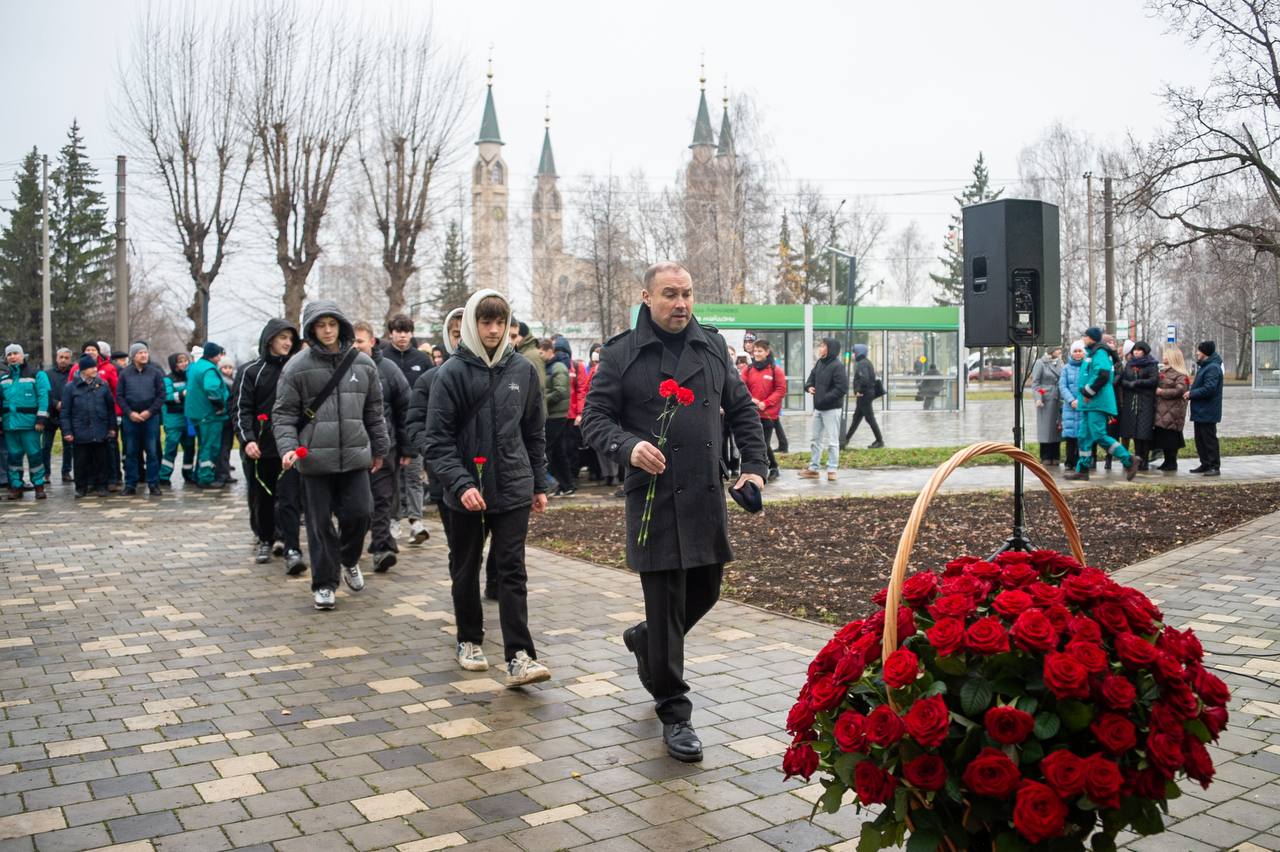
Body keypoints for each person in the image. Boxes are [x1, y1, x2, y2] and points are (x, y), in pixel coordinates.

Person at [581, 261, 767, 763]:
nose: (681, 303)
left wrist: (754, 466)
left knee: (706, 590)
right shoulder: (621, 354)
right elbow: (593, 419)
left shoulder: (709, 346)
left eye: (686, 293)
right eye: (669, 294)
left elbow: (743, 409)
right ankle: (674, 710)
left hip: (706, 494)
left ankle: (646, 641)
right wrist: (627, 445)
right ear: (647, 297)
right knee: (665, 606)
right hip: (655, 500)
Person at [422, 289, 551, 687]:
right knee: (466, 567)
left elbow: (534, 432)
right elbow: (437, 441)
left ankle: (520, 655)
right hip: (466, 492)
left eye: (500, 322)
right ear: (473, 325)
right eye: (486, 321)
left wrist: (539, 482)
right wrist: (459, 484)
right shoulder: (451, 374)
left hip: (513, 486)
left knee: (512, 570)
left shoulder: (523, 371)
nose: (494, 330)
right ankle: (469, 640)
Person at [273, 301, 389, 610]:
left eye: (332, 324)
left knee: (361, 513)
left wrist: (380, 448)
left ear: (341, 326)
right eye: (320, 325)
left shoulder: (363, 364)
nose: (327, 330)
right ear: (311, 329)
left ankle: (349, 559)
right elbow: (283, 415)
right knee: (319, 524)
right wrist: (287, 449)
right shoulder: (296, 366)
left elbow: (375, 412)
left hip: (355, 456)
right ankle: (324, 584)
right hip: (313, 461)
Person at [232, 319, 305, 571]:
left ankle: (292, 546)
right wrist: (247, 440)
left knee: (290, 498)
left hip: (290, 447)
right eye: (282, 337)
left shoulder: (296, 369)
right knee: (262, 496)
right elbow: (242, 410)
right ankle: (265, 538)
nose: (287, 343)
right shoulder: (250, 371)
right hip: (260, 448)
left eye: (290, 339)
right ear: (270, 339)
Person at [355, 321, 412, 573]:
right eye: (353, 341)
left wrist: (407, 448)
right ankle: (353, 547)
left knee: (382, 501)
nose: (356, 345)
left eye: (360, 340)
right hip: (352, 449)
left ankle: (382, 548)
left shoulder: (388, 370)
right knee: (357, 506)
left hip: (385, 446)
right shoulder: (341, 370)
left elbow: (405, 410)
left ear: (372, 341)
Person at [381, 314, 434, 546]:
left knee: (414, 475)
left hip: (416, 426)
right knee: (391, 478)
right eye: (398, 331)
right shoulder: (383, 359)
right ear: (390, 333)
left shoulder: (422, 360)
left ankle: (416, 521)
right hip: (389, 429)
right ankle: (393, 520)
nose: (402, 336)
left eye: (406, 331)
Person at [1064, 327, 1137, 481]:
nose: (1083, 339)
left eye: (1085, 336)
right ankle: (1083, 469)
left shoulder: (1100, 353)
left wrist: (1088, 392)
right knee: (1084, 436)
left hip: (1096, 402)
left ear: (1091, 338)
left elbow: (1103, 375)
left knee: (1099, 435)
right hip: (1089, 404)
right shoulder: (1092, 353)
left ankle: (1129, 460)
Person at [1, 344, 52, 500]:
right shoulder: (3, 379)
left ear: (23, 356)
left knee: (35, 455)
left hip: (30, 425)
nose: (12, 357)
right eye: (9, 355)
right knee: (13, 457)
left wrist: (41, 419)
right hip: (10, 424)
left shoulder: (37, 375)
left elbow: (44, 397)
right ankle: (16, 486)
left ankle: (38, 486)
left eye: (16, 353)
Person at [61, 355, 116, 498]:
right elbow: (65, 412)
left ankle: (102, 486)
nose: (95, 369)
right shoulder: (70, 387)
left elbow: (110, 409)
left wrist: (111, 428)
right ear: (83, 370)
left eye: (95, 366)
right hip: (80, 430)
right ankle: (81, 488)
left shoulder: (103, 385)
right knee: (80, 462)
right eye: (92, 367)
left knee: (101, 460)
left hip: (100, 429)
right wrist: (67, 431)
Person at [70, 342, 121, 490]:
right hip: (83, 418)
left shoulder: (109, 368)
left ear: (99, 352)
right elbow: (71, 390)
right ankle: (90, 481)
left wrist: (116, 414)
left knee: (108, 450)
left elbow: (116, 392)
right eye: (87, 349)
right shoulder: (75, 369)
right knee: (86, 453)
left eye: (93, 349)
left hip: (104, 416)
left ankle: (111, 479)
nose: (90, 351)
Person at [117, 342, 166, 496]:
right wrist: (130, 413)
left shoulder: (155, 372)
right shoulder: (125, 373)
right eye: (140, 353)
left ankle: (153, 484)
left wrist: (149, 412)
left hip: (150, 419)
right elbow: (119, 396)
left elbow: (161, 395)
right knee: (131, 452)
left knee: (152, 452)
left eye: (145, 352)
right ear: (133, 356)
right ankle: (130, 484)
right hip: (130, 419)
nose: (144, 355)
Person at [800, 337, 848, 481]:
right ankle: (814, 468)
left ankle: (832, 468)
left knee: (833, 441)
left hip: (831, 409)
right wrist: (808, 387)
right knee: (815, 439)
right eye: (820, 346)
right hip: (819, 409)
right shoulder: (820, 363)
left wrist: (824, 398)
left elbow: (842, 388)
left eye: (823, 346)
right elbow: (811, 379)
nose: (820, 348)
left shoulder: (837, 366)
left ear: (830, 348)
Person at [185, 342, 230, 489]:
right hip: (210, 415)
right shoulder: (209, 369)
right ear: (214, 355)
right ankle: (206, 478)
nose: (220, 358)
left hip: (196, 413)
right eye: (218, 355)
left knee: (203, 445)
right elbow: (212, 389)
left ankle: (199, 474)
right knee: (210, 447)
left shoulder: (196, 366)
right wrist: (220, 405)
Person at [741, 338, 786, 482]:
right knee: (757, 442)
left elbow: (780, 390)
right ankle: (767, 468)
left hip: (768, 414)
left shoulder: (775, 370)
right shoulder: (748, 369)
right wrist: (750, 399)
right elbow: (741, 387)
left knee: (763, 443)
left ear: (767, 352)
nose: (756, 353)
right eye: (755, 351)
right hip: (752, 413)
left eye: (760, 351)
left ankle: (770, 468)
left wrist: (766, 403)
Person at [539, 337, 576, 496]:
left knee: (548, 450)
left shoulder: (557, 367)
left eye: (541, 352)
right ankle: (566, 485)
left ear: (549, 351)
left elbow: (560, 391)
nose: (539, 355)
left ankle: (551, 484)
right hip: (555, 414)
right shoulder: (551, 366)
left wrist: (542, 400)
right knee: (559, 451)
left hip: (556, 415)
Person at [1118, 341, 1158, 470]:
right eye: (1135, 350)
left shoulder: (1151, 364)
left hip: (1145, 401)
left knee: (1143, 432)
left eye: (1139, 350)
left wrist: (1138, 383)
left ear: (1145, 352)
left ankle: (1144, 460)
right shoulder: (1130, 364)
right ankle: (1137, 459)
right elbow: (1123, 379)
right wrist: (1129, 384)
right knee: (1133, 431)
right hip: (1131, 401)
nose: (1136, 352)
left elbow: (1153, 380)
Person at [1185, 340, 1223, 476]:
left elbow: (1210, 389)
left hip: (1208, 410)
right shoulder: (1206, 366)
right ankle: (1205, 464)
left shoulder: (1212, 368)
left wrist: (1192, 393)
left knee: (1209, 439)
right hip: (1201, 410)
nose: (1197, 353)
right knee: (1200, 439)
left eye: (1199, 350)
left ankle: (1214, 466)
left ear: (1205, 353)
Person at [159, 353, 196, 487]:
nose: (184, 363)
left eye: (186, 360)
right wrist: (183, 394)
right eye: (180, 361)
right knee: (171, 447)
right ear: (174, 364)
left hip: (188, 418)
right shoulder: (168, 379)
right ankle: (164, 475)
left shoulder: (191, 377)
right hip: (173, 418)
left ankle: (188, 474)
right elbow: (167, 397)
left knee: (190, 447)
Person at [1154, 346, 1191, 472]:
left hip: (1174, 410)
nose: (1163, 357)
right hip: (1162, 409)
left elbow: (1180, 390)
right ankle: (1166, 461)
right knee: (1164, 436)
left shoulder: (1181, 374)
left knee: (1171, 437)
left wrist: (1161, 392)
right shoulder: (1163, 372)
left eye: (1166, 355)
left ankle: (1172, 461)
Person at [844, 343, 884, 449]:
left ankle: (880, 441)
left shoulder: (862, 364)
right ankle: (845, 440)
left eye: (854, 352)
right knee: (856, 418)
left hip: (864, 395)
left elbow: (864, 379)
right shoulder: (866, 362)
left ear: (858, 352)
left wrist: (858, 390)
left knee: (869, 418)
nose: (852, 354)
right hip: (866, 394)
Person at [42, 348, 73, 483]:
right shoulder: (47, 374)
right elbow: (44, 393)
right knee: (46, 445)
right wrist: (55, 403)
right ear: (56, 358)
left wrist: (66, 404)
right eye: (61, 357)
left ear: (70, 359)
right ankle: (45, 473)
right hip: (50, 414)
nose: (63, 360)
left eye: (66, 358)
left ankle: (66, 472)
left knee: (68, 446)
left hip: (68, 414)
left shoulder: (73, 373)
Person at [1031, 346, 1062, 466]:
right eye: (1057, 349)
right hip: (1045, 400)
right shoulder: (1040, 363)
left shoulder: (1060, 363)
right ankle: (1045, 456)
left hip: (1058, 398)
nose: (1059, 351)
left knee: (1057, 428)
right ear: (1050, 351)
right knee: (1045, 429)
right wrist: (1039, 397)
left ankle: (1056, 455)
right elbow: (1036, 384)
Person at [1058, 341, 1086, 471]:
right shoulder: (1066, 368)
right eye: (1075, 351)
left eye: (1080, 351)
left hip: (1084, 405)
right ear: (1071, 353)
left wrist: (1080, 400)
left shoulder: (1088, 367)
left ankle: (1081, 461)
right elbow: (1062, 386)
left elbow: (1090, 384)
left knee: (1082, 436)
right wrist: (1071, 400)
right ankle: (1069, 461)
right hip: (1070, 407)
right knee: (1070, 437)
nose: (1078, 353)